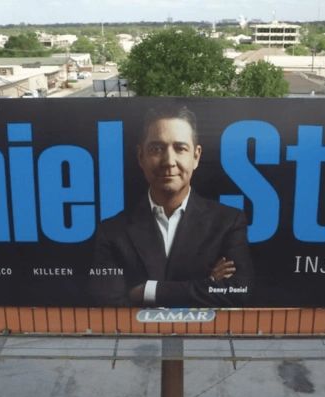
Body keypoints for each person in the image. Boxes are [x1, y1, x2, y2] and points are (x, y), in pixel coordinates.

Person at [88, 105, 253, 307]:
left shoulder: (229, 222)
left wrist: (145, 291)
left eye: (180, 148)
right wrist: (207, 284)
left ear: (196, 156)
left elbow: (237, 292)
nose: (168, 161)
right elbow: (108, 300)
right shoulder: (112, 231)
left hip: (202, 336)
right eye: (157, 149)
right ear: (141, 157)